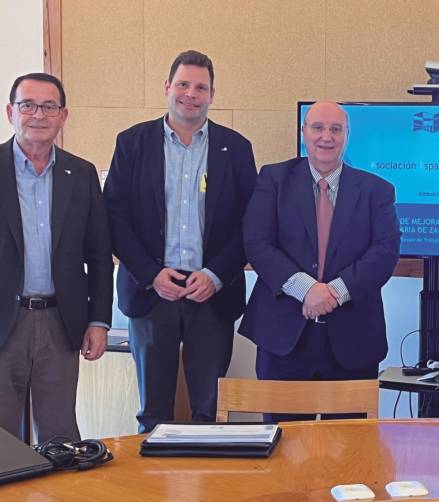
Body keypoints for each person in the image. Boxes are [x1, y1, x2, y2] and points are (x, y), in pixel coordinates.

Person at [104, 50, 257, 432]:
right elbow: (115, 217)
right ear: (167, 87)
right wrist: (150, 274)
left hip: (212, 293)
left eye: (200, 87)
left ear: (212, 94)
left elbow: (250, 223)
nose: (191, 93)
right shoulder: (132, 143)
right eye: (183, 84)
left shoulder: (236, 148)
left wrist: (217, 274)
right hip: (151, 291)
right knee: (153, 413)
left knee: (209, 411)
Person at [240, 101, 400, 421]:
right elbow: (257, 243)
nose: (326, 137)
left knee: (349, 453)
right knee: (284, 446)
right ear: (304, 132)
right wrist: (307, 289)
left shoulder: (377, 190)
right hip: (284, 339)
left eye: (335, 129)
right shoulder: (273, 180)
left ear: (347, 136)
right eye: (318, 128)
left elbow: (385, 251)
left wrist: (334, 292)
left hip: (352, 341)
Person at [0, 73, 113, 442]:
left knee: (60, 436)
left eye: (49, 106)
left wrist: (99, 320)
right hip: (4, 321)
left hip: (60, 323)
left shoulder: (80, 174)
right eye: (28, 105)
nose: (38, 115)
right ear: (10, 112)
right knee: (3, 440)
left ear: (63, 115)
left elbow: (98, 255)